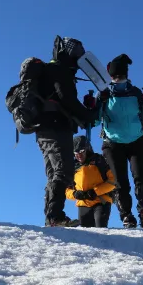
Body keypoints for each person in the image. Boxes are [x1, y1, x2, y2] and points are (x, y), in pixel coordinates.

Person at [92, 54, 143, 228]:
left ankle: (140, 214)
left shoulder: (129, 93)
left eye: (119, 75)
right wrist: (92, 107)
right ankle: (131, 215)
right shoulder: (109, 94)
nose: (118, 78)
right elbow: (95, 120)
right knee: (126, 180)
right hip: (116, 143)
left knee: (136, 178)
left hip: (132, 142)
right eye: (116, 75)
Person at [34, 36, 95, 227]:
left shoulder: (53, 69)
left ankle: (52, 218)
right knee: (63, 170)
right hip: (55, 126)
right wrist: (86, 114)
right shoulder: (59, 69)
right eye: (76, 51)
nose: (79, 56)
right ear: (66, 51)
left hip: (45, 127)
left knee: (54, 172)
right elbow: (66, 98)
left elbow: (63, 99)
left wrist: (81, 114)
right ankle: (55, 216)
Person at [66, 135, 115, 227]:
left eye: (81, 151)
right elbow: (66, 190)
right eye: (75, 152)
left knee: (100, 229)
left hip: (101, 201)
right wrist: (75, 194)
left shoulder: (99, 160)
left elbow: (113, 181)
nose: (79, 155)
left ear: (87, 149)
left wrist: (95, 192)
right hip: (83, 204)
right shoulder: (72, 167)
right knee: (87, 233)